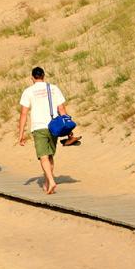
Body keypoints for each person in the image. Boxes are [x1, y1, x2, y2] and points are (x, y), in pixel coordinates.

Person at [17, 66, 80, 195]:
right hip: (54, 125)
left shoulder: (28, 91)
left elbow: (23, 114)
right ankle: (47, 184)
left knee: (43, 156)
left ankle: (51, 181)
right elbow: (61, 109)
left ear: (32, 78)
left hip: (38, 127)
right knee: (50, 155)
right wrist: (68, 129)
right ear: (44, 76)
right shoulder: (53, 88)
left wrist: (21, 133)